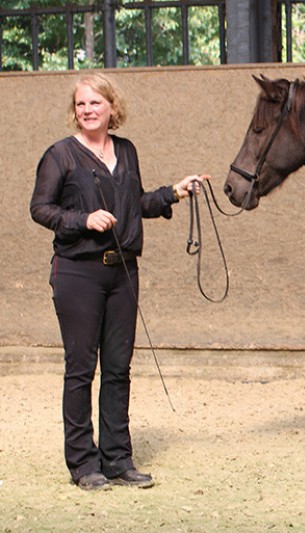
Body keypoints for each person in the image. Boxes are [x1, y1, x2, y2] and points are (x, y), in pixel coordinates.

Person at [30, 72, 208, 491]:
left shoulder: (126, 151)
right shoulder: (61, 155)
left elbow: (135, 204)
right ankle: (83, 464)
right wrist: (83, 219)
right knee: (80, 370)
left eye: (95, 103)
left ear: (112, 107)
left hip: (123, 271)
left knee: (118, 369)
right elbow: (40, 208)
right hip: (78, 272)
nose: (87, 111)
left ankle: (117, 459)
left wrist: (174, 193)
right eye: (81, 105)